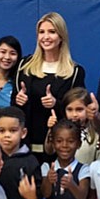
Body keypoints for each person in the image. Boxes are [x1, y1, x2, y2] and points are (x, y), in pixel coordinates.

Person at [12, 12, 86, 160]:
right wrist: (17, 100)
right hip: (25, 144)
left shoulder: (75, 72)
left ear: (61, 36)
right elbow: (14, 105)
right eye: (41, 32)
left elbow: (77, 111)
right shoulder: (23, 66)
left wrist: (56, 104)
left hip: (57, 147)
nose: (46, 37)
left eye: (52, 32)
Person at [45, 87, 100, 165]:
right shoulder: (61, 129)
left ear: (88, 109)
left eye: (79, 109)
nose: (74, 114)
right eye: (70, 110)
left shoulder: (95, 131)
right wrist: (51, 129)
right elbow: (49, 151)